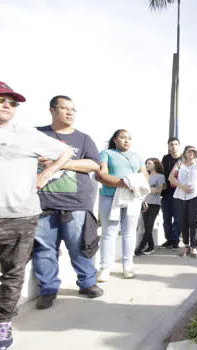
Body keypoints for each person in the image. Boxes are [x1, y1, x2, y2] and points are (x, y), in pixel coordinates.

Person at [0, 82, 73, 349]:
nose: (7, 105)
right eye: (1, 100)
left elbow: (65, 152)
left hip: (20, 217)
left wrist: (45, 174)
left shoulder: (27, 134)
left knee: (13, 273)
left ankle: (3, 324)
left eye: (12, 102)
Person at [32, 95, 104, 311]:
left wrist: (63, 163)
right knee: (44, 249)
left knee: (80, 246)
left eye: (73, 109)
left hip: (76, 203)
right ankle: (48, 289)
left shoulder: (83, 139)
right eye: (65, 108)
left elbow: (94, 164)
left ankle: (87, 282)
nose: (70, 113)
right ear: (52, 110)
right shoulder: (36, 135)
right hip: (42, 202)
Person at [96, 129, 148, 281]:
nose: (126, 141)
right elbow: (102, 174)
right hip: (110, 196)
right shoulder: (106, 153)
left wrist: (133, 183)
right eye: (123, 137)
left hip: (132, 197)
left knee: (129, 232)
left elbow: (144, 174)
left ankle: (128, 265)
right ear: (115, 139)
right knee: (108, 231)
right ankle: (105, 268)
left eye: (129, 138)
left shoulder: (136, 156)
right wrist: (122, 183)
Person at [169, 146, 197, 257]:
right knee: (183, 220)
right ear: (185, 153)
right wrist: (182, 187)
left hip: (195, 195)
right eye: (189, 151)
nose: (191, 153)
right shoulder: (179, 163)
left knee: (192, 220)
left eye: (193, 151)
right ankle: (186, 245)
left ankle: (194, 246)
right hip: (181, 195)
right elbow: (171, 177)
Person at [135, 158, 165, 256]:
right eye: (146, 163)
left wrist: (147, 189)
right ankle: (151, 245)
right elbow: (139, 190)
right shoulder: (144, 176)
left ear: (155, 164)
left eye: (149, 163)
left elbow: (159, 190)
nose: (147, 165)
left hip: (154, 203)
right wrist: (150, 189)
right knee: (147, 226)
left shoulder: (160, 176)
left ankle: (140, 247)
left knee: (150, 224)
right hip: (143, 203)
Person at [160, 137, 183, 249]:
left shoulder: (184, 159)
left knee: (178, 218)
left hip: (179, 193)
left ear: (179, 146)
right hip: (166, 193)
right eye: (171, 144)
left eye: (176, 144)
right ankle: (168, 239)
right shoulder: (165, 158)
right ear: (168, 146)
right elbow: (161, 174)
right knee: (166, 218)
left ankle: (175, 240)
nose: (173, 146)